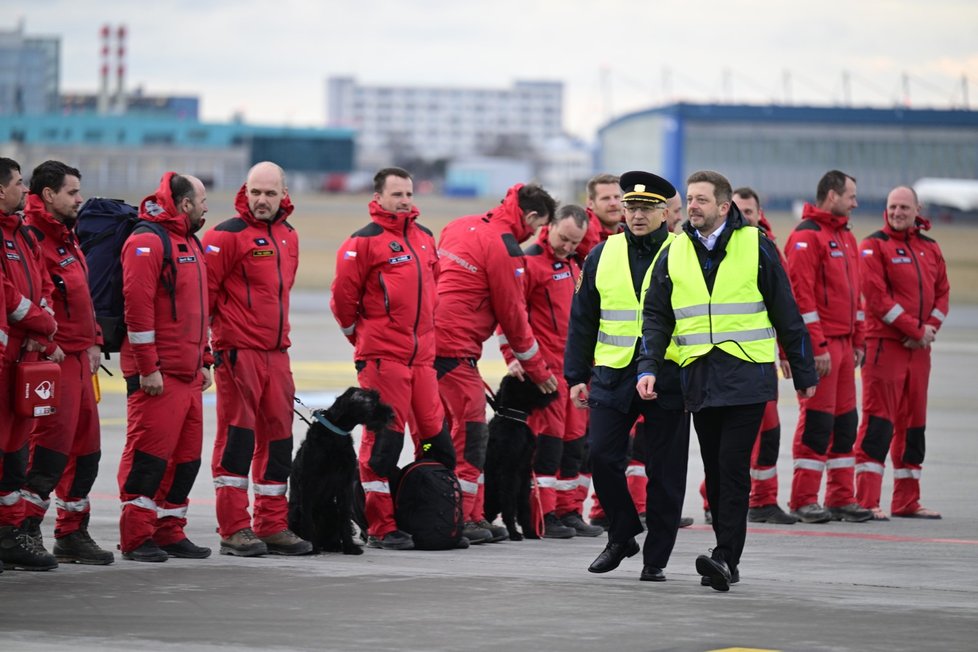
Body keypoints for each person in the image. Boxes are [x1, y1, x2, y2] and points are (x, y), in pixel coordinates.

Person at [637, 170, 817, 591]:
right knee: (716, 472)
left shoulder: (755, 244)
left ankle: (724, 556)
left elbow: (785, 311)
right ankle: (727, 557)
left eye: (701, 200)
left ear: (723, 206)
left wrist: (803, 372)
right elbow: (656, 316)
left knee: (733, 467)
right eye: (690, 199)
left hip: (746, 377)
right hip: (699, 378)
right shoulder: (674, 250)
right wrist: (648, 367)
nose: (692, 206)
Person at [565, 170, 689, 582]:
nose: (636, 215)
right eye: (631, 207)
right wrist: (576, 374)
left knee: (665, 472)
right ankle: (621, 534)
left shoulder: (683, 250)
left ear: (665, 213)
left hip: (669, 373)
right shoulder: (602, 253)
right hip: (614, 372)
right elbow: (583, 318)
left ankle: (656, 558)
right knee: (601, 454)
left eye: (646, 208)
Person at [331, 167, 453, 550]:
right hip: (384, 359)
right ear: (379, 197)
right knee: (383, 445)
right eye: (396, 194)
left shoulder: (424, 238)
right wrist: (365, 339)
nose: (404, 200)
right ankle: (380, 526)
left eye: (408, 194)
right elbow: (342, 303)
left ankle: (430, 516)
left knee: (436, 441)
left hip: (422, 361)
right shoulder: (362, 242)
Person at [435, 183, 558, 544]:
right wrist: (538, 372)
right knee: (472, 433)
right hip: (454, 347)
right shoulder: (505, 249)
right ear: (530, 216)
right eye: (536, 228)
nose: (533, 236)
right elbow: (513, 316)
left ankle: (461, 512)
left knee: (439, 433)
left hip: (428, 342)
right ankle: (462, 518)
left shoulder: (459, 224)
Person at [203, 162, 312, 557]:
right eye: (255, 193)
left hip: (277, 354)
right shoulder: (224, 236)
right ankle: (233, 528)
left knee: (279, 440)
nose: (261, 200)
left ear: (285, 194)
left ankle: (271, 523)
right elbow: (204, 299)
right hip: (238, 353)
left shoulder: (288, 236)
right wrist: (206, 351)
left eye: (269, 193)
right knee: (237, 440)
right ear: (244, 192)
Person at [20, 160, 114, 565]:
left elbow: (82, 298)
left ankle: (73, 532)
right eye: (72, 192)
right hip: (52, 361)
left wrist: (95, 341)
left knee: (86, 451)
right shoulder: (32, 239)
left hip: (80, 361)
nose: (79, 199)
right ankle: (23, 531)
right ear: (48, 195)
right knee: (48, 451)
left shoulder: (66, 237)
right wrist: (47, 342)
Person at [117, 172, 212, 562]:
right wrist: (148, 367)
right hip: (157, 375)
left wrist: (204, 359)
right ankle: (137, 536)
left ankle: (170, 530)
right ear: (185, 204)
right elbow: (136, 309)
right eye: (202, 200)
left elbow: (197, 308)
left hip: (188, 374)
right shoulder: (146, 241)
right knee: (148, 458)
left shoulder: (190, 241)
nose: (207, 207)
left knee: (186, 460)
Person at [497, 204, 601, 538]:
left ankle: (568, 509)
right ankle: (543, 514)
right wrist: (512, 358)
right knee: (549, 444)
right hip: (545, 373)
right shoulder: (529, 263)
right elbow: (510, 315)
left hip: (576, 372)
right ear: (550, 225)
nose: (568, 247)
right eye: (564, 239)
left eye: (575, 242)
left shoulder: (575, 264)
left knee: (575, 445)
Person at [853, 186, 949, 519]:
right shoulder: (873, 246)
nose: (897, 212)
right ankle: (866, 500)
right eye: (893, 206)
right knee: (879, 422)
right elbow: (876, 298)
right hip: (886, 346)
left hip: (919, 351)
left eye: (904, 207)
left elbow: (943, 293)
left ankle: (907, 500)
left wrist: (928, 330)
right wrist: (915, 330)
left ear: (916, 209)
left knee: (914, 425)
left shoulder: (930, 248)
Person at [785, 170, 873, 524]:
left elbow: (856, 295)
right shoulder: (807, 237)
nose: (855, 202)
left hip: (843, 345)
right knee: (817, 423)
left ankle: (840, 496)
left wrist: (859, 338)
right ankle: (804, 498)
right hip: (820, 347)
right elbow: (801, 298)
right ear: (832, 195)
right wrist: (817, 346)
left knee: (844, 424)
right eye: (851, 196)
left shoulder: (846, 238)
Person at [0, 157, 61, 571]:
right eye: (19, 183)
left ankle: (7, 536)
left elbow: (40, 288)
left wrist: (43, 326)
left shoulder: (23, 234)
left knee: (13, 456)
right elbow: (9, 297)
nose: (25, 190)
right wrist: (43, 322)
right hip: (7, 360)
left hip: (22, 362)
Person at [576, 173, 624, 258]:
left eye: (617, 197)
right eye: (605, 198)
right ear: (590, 203)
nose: (613, 203)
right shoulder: (580, 234)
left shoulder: (633, 231)